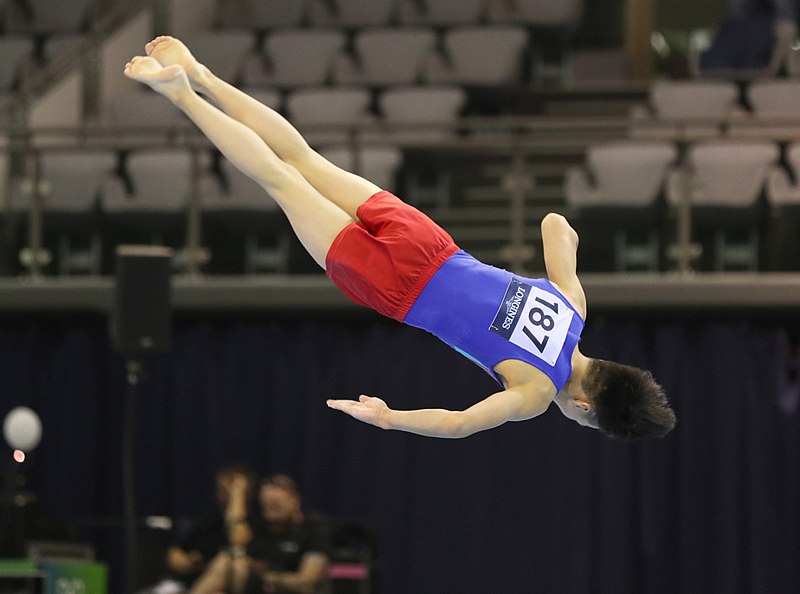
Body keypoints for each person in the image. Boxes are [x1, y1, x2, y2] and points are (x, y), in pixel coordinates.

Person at [123, 36, 676, 441]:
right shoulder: (534, 394)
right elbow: (458, 425)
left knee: (301, 158)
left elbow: (556, 223)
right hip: (398, 289)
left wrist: (564, 265)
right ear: (584, 404)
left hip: (431, 244)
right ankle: (183, 96)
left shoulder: (572, 308)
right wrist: (389, 417)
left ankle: (200, 73)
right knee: (280, 181)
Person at [188, 473, 330, 594]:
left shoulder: (314, 529)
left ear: (295, 500)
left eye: (275, 505)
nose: (269, 512)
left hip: (284, 589)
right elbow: (236, 539)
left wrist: (266, 576)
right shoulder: (260, 526)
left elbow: (307, 581)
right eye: (265, 506)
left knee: (233, 566)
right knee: (225, 563)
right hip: (252, 588)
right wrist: (237, 494)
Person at [141, 464, 259, 594]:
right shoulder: (210, 519)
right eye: (221, 490)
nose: (223, 495)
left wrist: (237, 498)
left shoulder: (257, 520)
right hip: (196, 582)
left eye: (230, 490)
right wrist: (191, 563)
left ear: (248, 491)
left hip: (234, 585)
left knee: (224, 562)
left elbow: (237, 540)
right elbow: (174, 555)